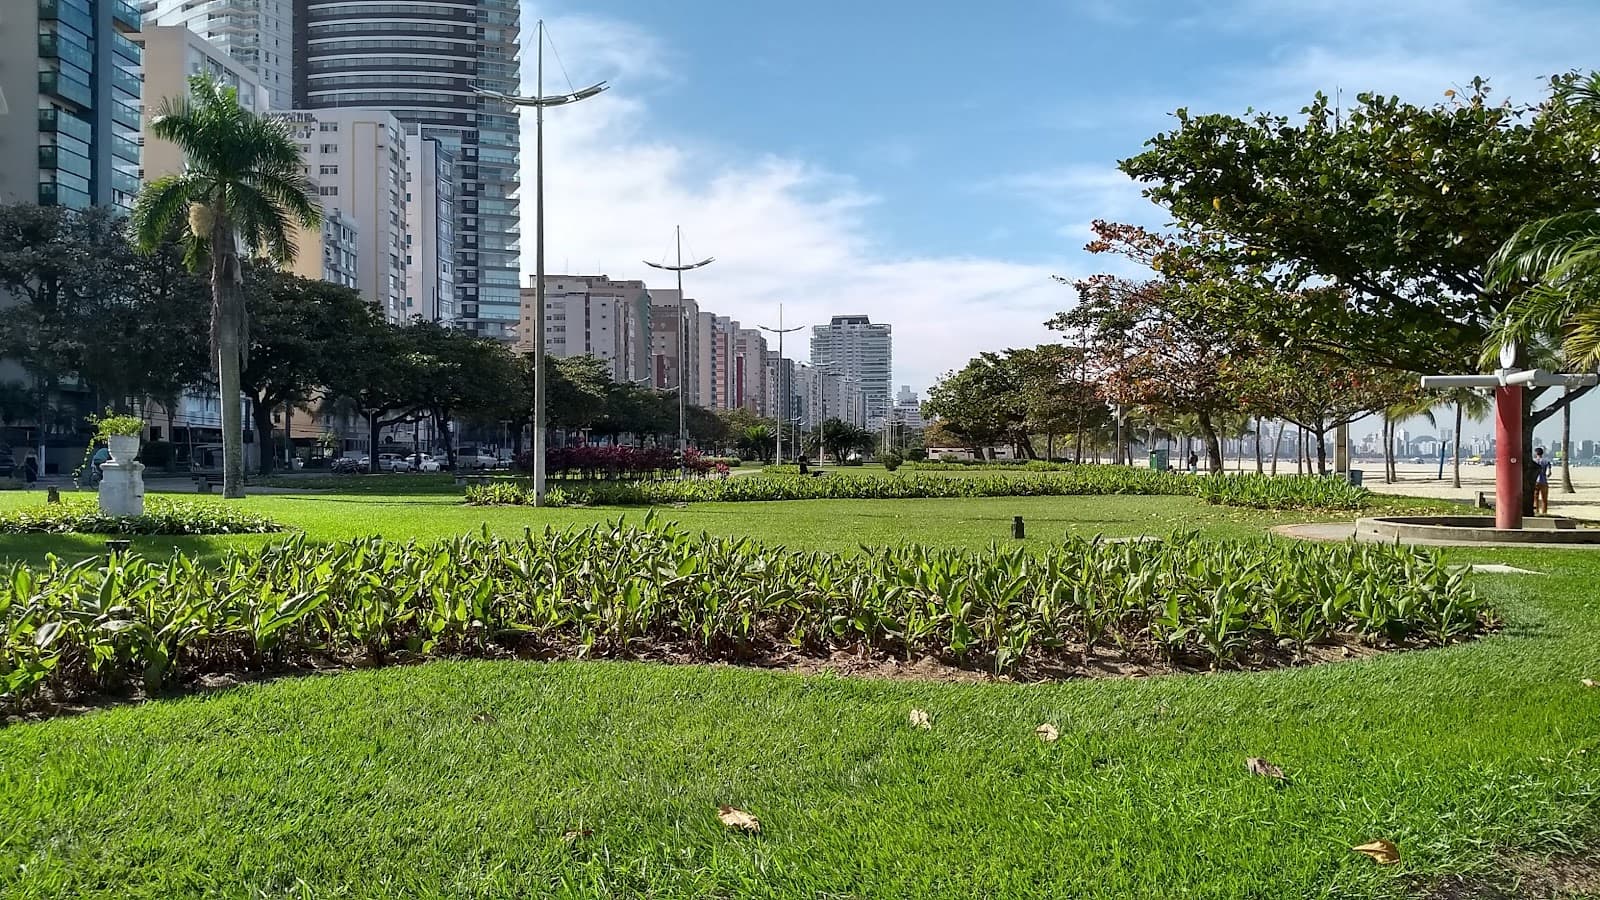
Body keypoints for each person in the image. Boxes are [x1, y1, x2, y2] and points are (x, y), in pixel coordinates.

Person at [1534, 447, 1552, 515]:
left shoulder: (1534, 461)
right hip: (1544, 481)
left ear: (1536, 453)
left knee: (1535, 498)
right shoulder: (1546, 461)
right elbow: (1549, 472)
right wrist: (1547, 474)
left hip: (1535, 481)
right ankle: (1544, 512)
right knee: (1544, 498)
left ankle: (1536, 511)